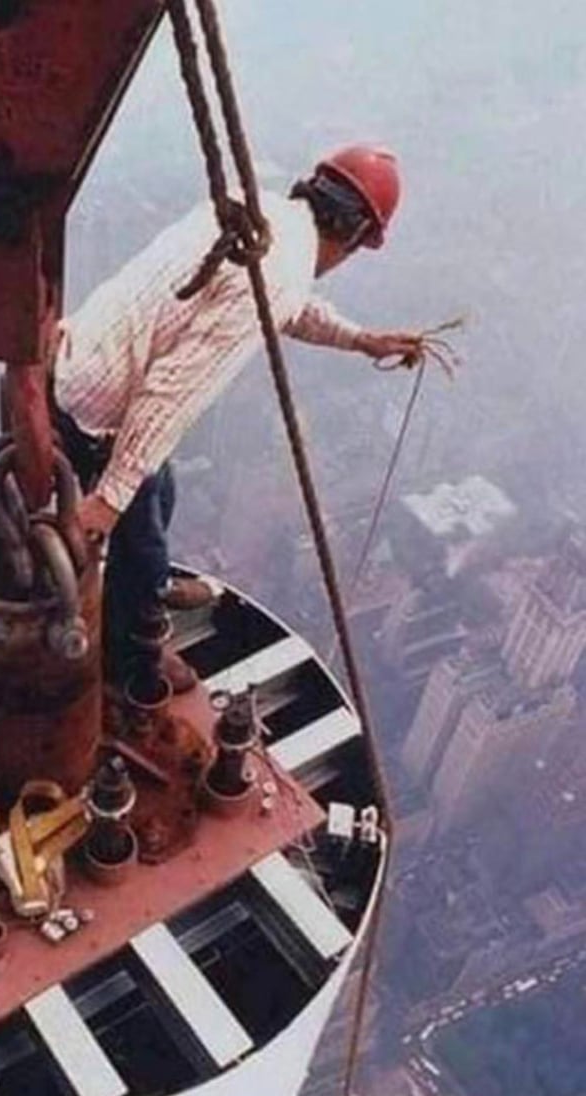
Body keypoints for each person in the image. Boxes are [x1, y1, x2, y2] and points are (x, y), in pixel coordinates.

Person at [52, 144, 423, 693]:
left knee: (161, 490)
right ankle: (131, 666)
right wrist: (107, 501)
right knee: (141, 522)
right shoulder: (277, 271)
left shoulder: (261, 219)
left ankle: (147, 583)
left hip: (80, 358)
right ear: (355, 239)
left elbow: (291, 306)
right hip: (98, 406)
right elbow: (172, 391)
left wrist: (361, 340)